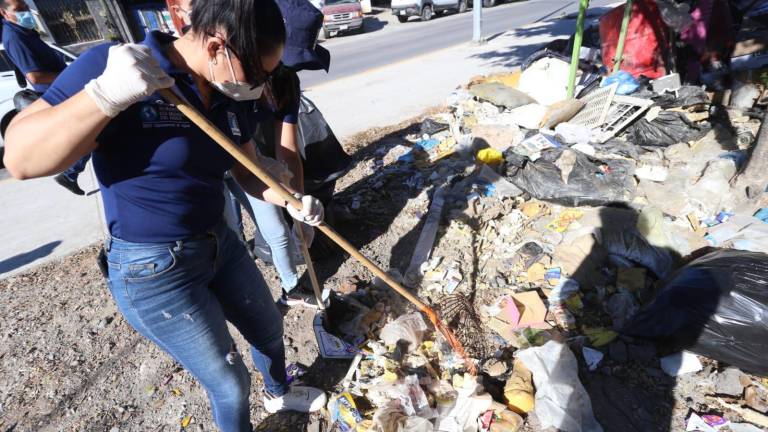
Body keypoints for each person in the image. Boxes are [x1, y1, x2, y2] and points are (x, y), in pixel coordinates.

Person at [2, 0, 327, 429]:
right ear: (217, 48)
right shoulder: (117, 67)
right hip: (154, 268)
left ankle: (278, 393)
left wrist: (291, 199)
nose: (263, 86)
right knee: (229, 383)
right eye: (259, 74)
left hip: (219, 242)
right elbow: (22, 159)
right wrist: (105, 96)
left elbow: (246, 170)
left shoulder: (230, 93)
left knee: (268, 330)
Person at [0, 0, 88, 195]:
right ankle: (70, 173)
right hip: (57, 93)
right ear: (4, 13)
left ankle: (71, 174)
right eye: (19, 10)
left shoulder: (25, 33)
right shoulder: (15, 36)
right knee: (94, 130)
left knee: (96, 130)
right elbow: (35, 76)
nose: (26, 13)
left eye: (25, 8)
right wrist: (73, 76)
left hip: (63, 90)